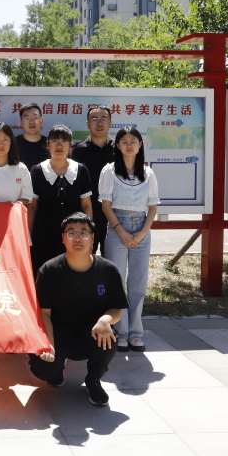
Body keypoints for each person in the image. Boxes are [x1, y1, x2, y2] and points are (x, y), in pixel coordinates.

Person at [28, 212, 128, 407]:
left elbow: (117, 308)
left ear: (92, 238)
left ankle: (93, 379)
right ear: (63, 238)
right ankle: (56, 373)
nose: (78, 238)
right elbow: (44, 313)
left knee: (109, 337)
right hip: (58, 333)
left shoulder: (108, 270)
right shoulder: (49, 270)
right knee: (44, 369)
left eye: (84, 232)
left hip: (91, 333)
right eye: (71, 232)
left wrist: (105, 320)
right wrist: (49, 344)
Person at [100, 127, 159, 353]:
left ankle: (136, 333)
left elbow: (152, 208)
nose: (129, 145)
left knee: (138, 284)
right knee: (118, 283)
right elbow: (106, 206)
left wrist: (141, 233)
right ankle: (121, 332)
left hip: (142, 227)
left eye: (133, 141)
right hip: (118, 226)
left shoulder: (148, 173)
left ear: (140, 144)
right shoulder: (109, 171)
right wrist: (122, 232)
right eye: (124, 141)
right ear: (117, 145)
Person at [28, 124, 94, 275]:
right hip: (44, 233)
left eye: (64, 141)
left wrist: (89, 234)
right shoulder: (37, 170)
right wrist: (29, 236)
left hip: (74, 234)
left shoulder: (81, 170)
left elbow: (86, 205)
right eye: (55, 141)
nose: (59, 146)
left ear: (70, 145)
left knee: (72, 273)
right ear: (48, 145)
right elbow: (32, 206)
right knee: (43, 272)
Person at [71, 105, 115, 255]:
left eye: (104, 118)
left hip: (113, 212)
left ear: (110, 123)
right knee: (86, 256)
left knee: (111, 257)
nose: (99, 123)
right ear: (88, 124)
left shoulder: (119, 149)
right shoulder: (78, 151)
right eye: (94, 119)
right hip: (86, 211)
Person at [15, 103, 50, 170]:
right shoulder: (12, 144)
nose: (31, 122)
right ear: (21, 122)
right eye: (27, 118)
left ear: (41, 120)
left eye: (35, 117)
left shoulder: (50, 144)